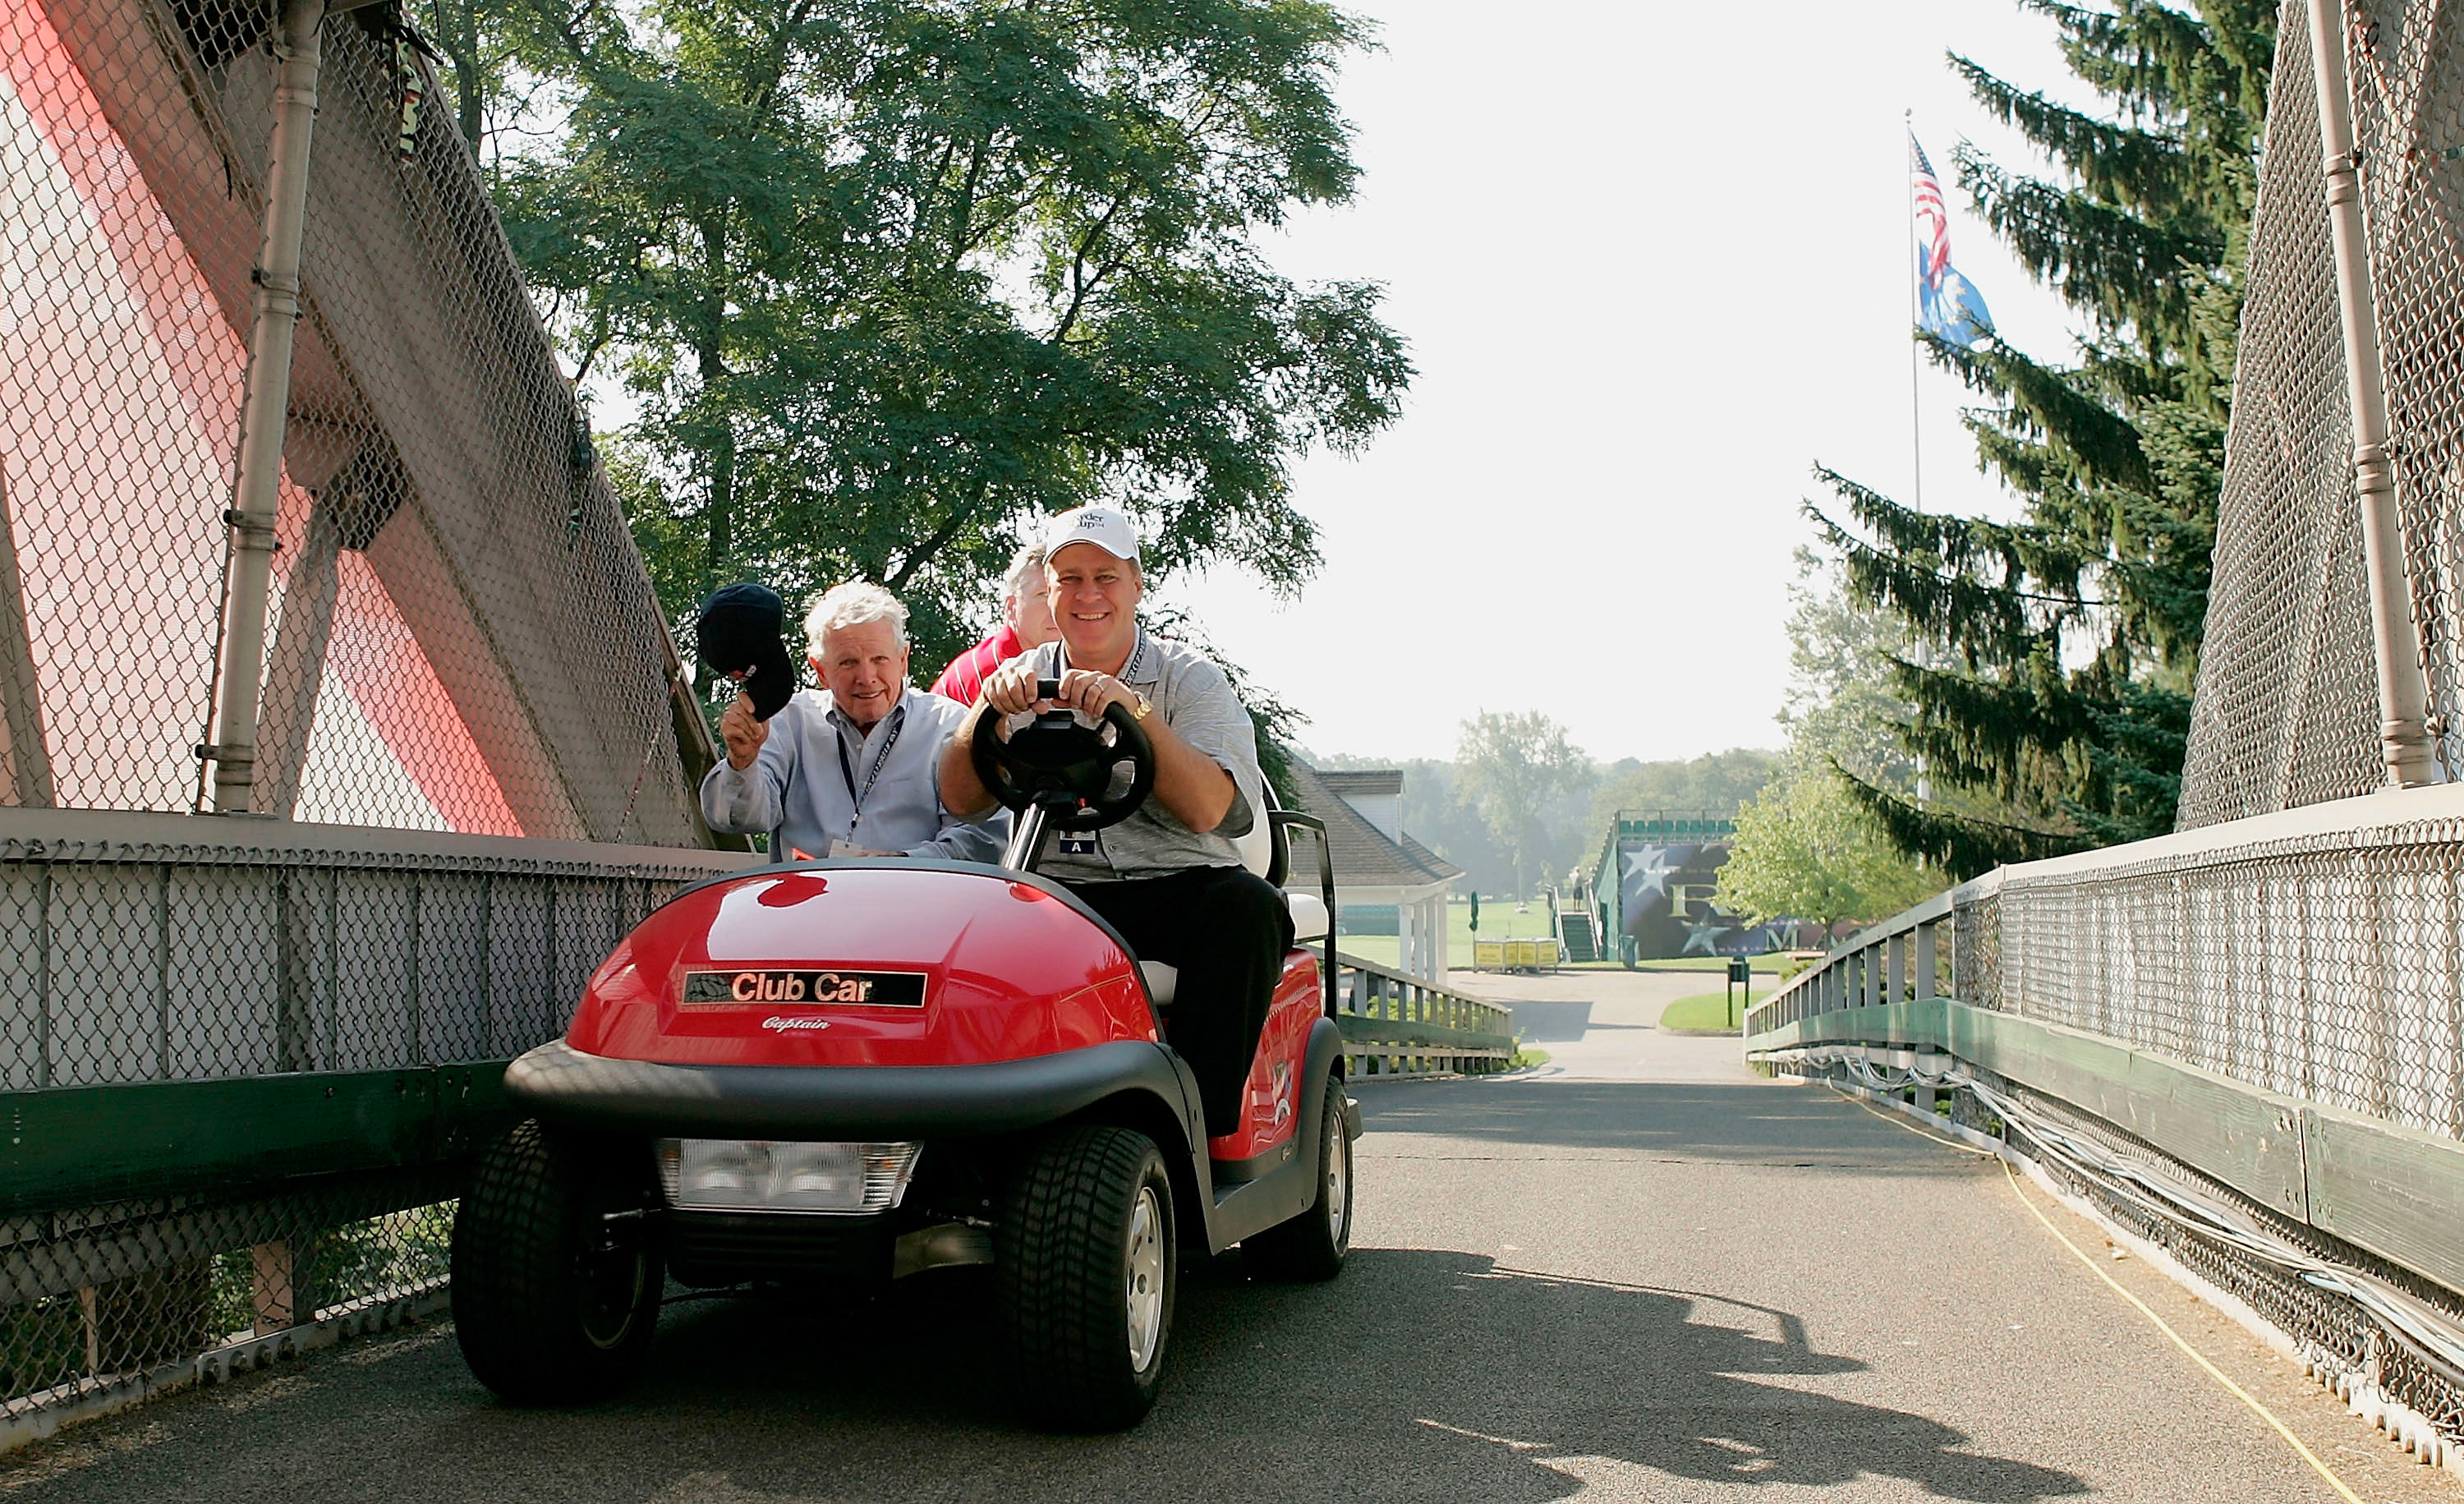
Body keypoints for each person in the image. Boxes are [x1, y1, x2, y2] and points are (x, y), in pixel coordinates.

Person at [937, 506, 1292, 1138]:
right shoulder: (1020, 679)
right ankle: (982, 1136)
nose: (1088, 594)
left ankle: (1196, 1130)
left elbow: (1211, 809)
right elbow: (961, 798)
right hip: (1061, 890)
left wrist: (1140, 716)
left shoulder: (1190, 680)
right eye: (1070, 578)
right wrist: (985, 710)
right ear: (1048, 590)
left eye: (1105, 576)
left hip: (1176, 883)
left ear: (1135, 585)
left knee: (1248, 908)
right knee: (965, 928)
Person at [704, 581, 1002, 862]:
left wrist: (902, 865)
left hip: (916, 903)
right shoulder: (789, 722)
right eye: (848, 663)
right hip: (807, 906)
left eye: (879, 660)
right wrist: (742, 763)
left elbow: (984, 841)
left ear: (903, 660)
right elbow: (734, 819)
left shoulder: (950, 727)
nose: (866, 678)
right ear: (820, 671)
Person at [928, 542, 1060, 705]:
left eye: (1059, 592)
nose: (1056, 607)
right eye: (1043, 595)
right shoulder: (991, 672)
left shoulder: (1058, 663)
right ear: (1011, 607)